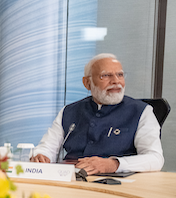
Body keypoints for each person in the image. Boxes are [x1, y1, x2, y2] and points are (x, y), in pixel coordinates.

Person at [30, 53, 163, 174]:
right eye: (106, 75)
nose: (116, 81)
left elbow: (155, 158)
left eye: (120, 75)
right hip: (69, 180)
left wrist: (114, 164)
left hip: (117, 184)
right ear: (87, 83)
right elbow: (47, 147)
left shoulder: (142, 111)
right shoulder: (69, 111)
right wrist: (41, 155)